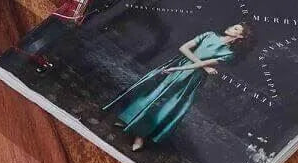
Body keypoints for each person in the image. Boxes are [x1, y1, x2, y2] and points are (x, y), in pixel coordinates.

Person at [103, 23, 250, 150]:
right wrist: (204, 67)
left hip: (191, 78)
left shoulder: (229, 54)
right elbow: (184, 48)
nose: (231, 27)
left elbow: (199, 65)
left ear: (241, 37)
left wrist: (195, 67)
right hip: (178, 65)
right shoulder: (209, 35)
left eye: (236, 29)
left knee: (165, 105)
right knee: (152, 94)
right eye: (234, 26)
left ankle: (140, 136)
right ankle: (130, 120)